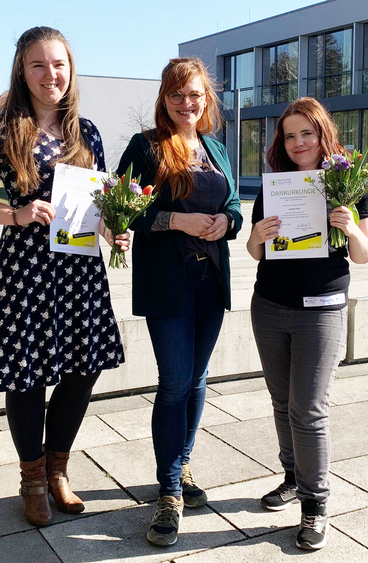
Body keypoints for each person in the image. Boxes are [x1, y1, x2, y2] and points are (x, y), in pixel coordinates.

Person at [0, 26, 126, 527]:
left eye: (59, 64)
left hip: (81, 271)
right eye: (39, 65)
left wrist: (114, 230)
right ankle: (32, 480)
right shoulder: (4, 132)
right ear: (23, 72)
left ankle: (58, 468)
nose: (51, 75)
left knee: (82, 369)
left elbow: (101, 201)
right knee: (27, 377)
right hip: (25, 273)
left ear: (71, 69)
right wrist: (13, 213)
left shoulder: (86, 132)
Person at [116, 57, 242, 547]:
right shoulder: (145, 146)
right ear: (164, 100)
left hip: (210, 278)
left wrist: (225, 224)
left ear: (206, 97)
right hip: (167, 281)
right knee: (174, 382)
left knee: (198, 378)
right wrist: (179, 221)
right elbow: (125, 207)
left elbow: (232, 203)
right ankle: (168, 492)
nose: (187, 103)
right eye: (176, 95)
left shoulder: (215, 147)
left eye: (195, 94)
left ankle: (182, 463)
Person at [246, 97, 368, 550]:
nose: (298, 142)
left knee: (309, 409)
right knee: (282, 402)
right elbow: (254, 251)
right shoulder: (276, 185)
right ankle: (292, 478)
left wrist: (352, 226)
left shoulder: (349, 183)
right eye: (289, 135)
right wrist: (257, 237)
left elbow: (364, 253)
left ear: (323, 134)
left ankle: (315, 506)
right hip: (269, 306)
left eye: (307, 133)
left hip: (321, 310)